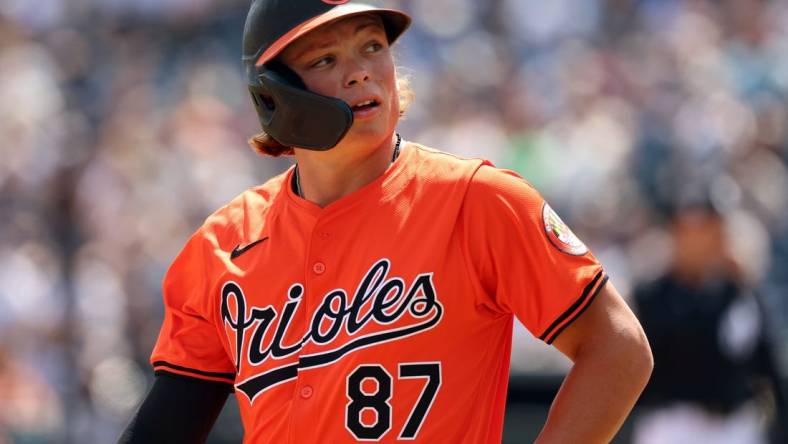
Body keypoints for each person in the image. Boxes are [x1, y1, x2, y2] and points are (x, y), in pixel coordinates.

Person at [118, 1, 653, 443]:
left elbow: (618, 349)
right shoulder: (225, 242)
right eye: (325, 59)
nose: (361, 70)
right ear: (271, 93)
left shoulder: (477, 201)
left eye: (372, 45)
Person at [632, 199, 785, 444]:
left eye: (708, 230)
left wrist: (739, 284)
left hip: (733, 424)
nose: (700, 241)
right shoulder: (653, 296)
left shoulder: (738, 293)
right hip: (673, 423)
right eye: (691, 231)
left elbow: (762, 362)